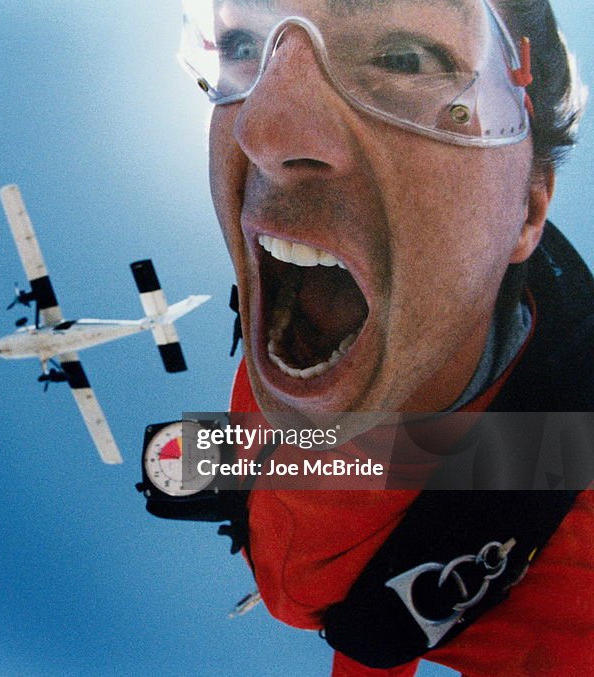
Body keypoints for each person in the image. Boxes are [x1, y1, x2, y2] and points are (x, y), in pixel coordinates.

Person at [178, 0, 594, 674]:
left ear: (527, 211)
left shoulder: (575, 568)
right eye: (246, 46)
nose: (263, 126)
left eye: (404, 58)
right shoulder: (302, 316)